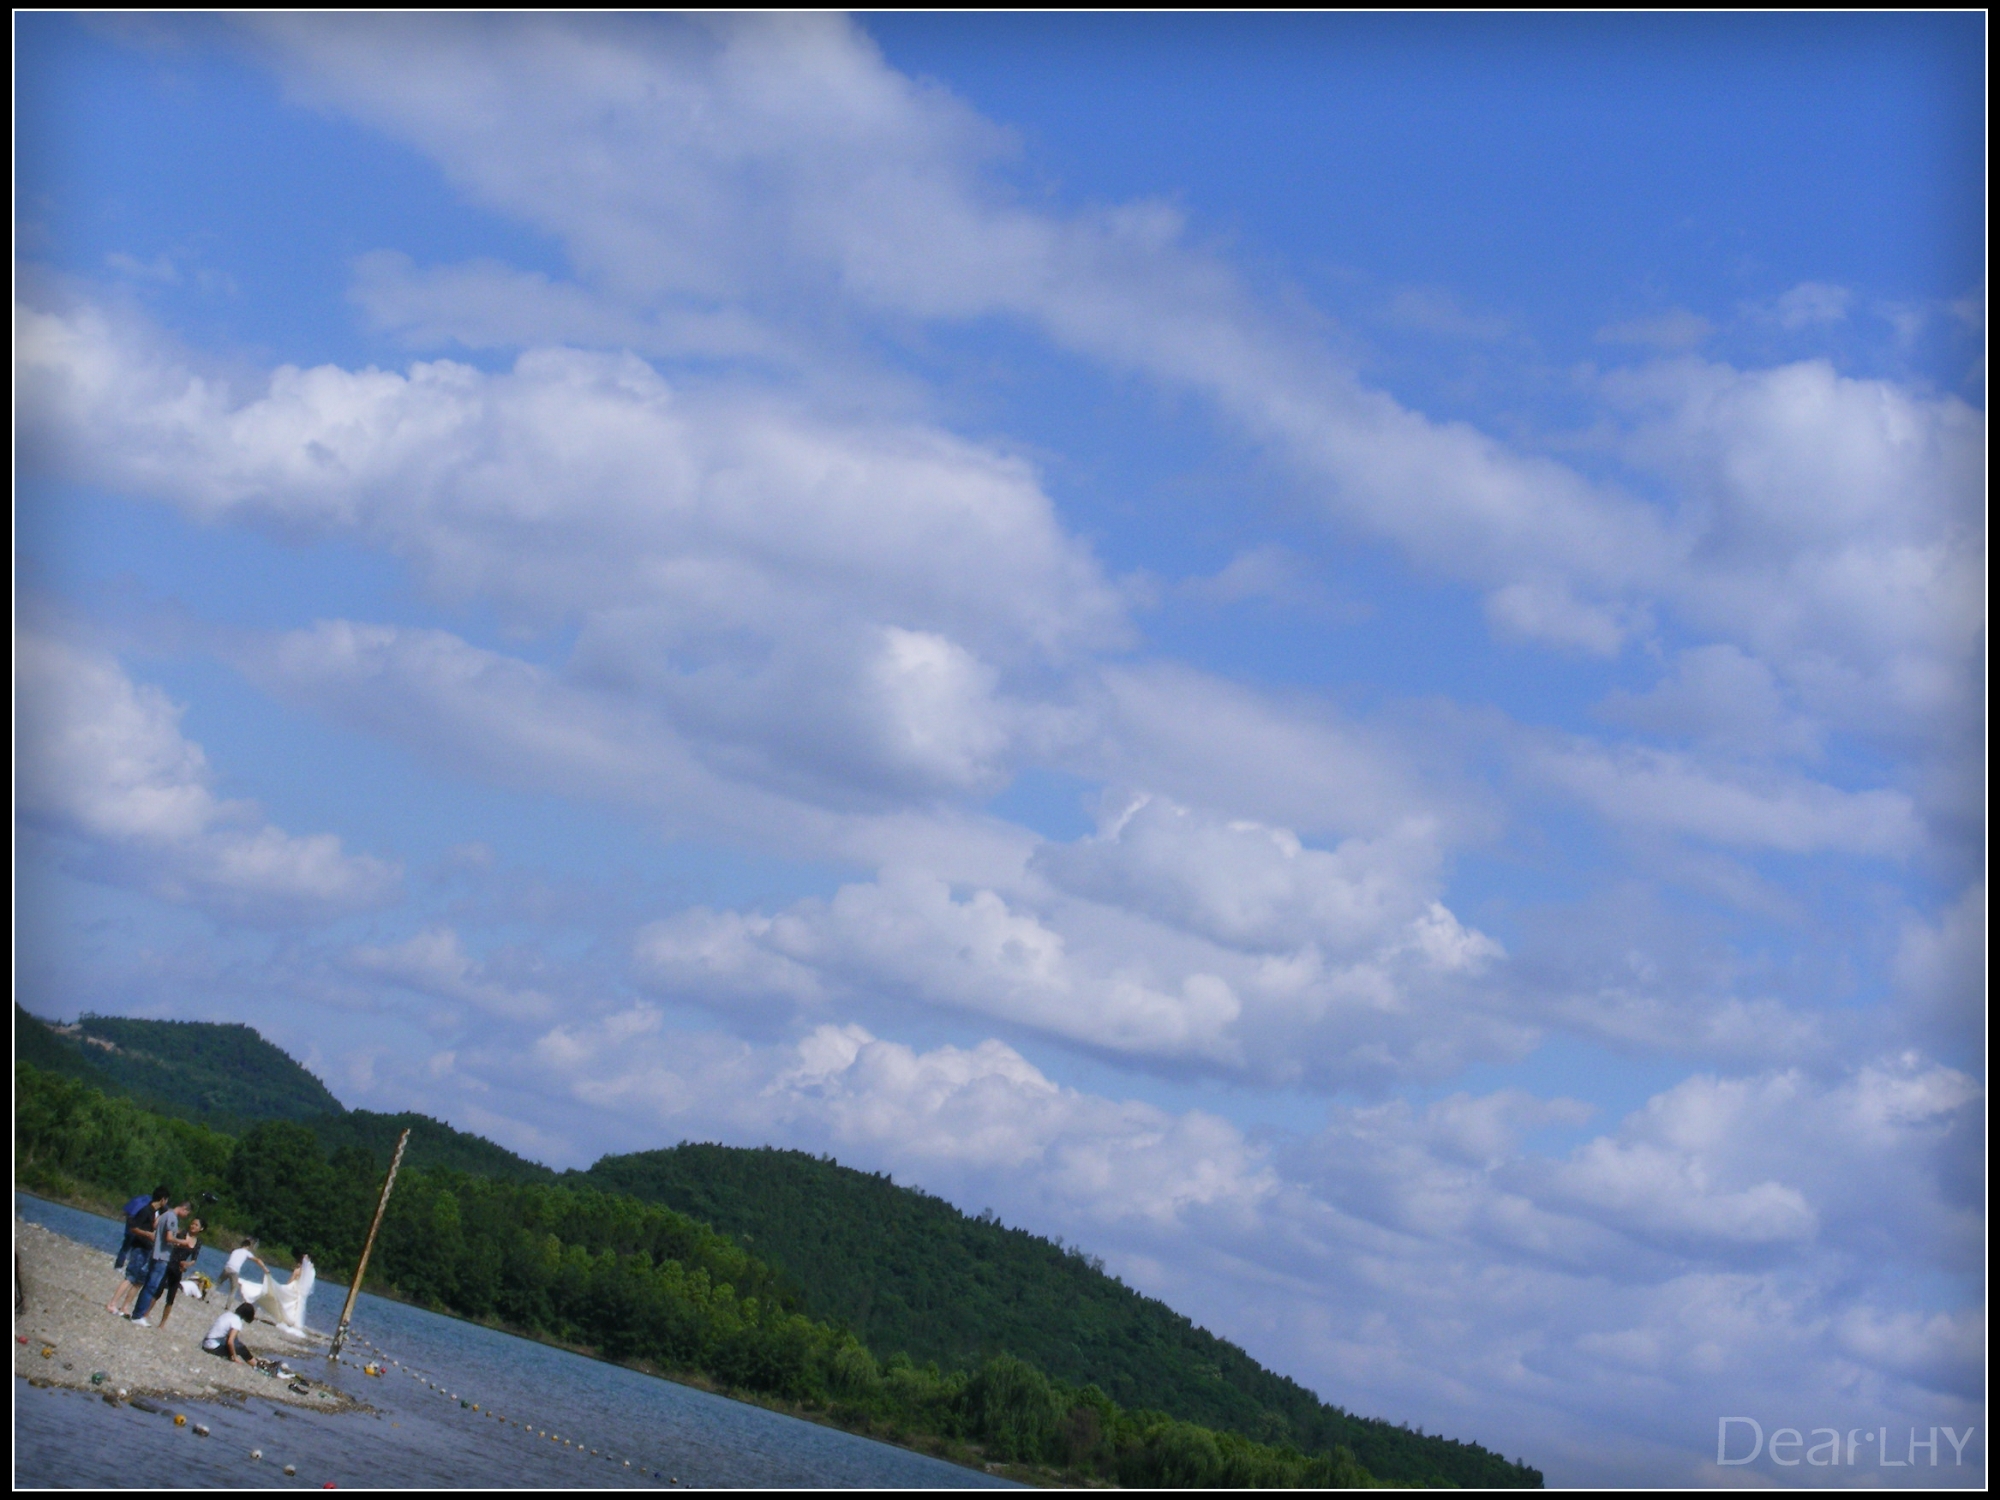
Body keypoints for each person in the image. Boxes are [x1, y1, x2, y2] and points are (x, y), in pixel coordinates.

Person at [105, 1187, 170, 1317]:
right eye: (166, 1200)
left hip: (147, 1248)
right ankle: (112, 1303)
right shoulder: (146, 1210)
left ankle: (125, 1306)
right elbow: (133, 1228)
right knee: (130, 1277)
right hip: (139, 1247)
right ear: (163, 1199)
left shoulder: (154, 1212)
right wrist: (147, 1234)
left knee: (140, 1280)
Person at [128, 1197, 191, 1327]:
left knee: (148, 1284)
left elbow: (155, 1224)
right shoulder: (172, 1217)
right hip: (162, 1256)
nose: (186, 1217)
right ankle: (138, 1315)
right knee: (151, 1286)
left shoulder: (165, 1214)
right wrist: (182, 1242)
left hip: (154, 1252)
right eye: (187, 1214)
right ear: (184, 1209)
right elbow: (169, 1238)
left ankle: (137, 1313)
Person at [146, 1216, 204, 1329]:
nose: (193, 1226)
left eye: (196, 1225)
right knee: (158, 1290)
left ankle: (162, 1323)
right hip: (169, 1263)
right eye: (192, 1223)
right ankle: (146, 1313)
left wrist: (187, 1264)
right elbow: (170, 1243)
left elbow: (194, 1259)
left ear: (201, 1229)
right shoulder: (181, 1233)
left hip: (179, 1269)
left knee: (171, 1296)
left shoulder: (198, 1242)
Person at [111, 1191, 153, 1271]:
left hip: (128, 1232)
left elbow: (125, 1214)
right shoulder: (145, 1210)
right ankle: (130, 1266)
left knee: (125, 1248)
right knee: (134, 1250)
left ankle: (118, 1265)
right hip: (137, 1233)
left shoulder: (133, 1209)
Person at [220, 1238, 267, 1303]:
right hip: (234, 1271)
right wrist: (265, 1269)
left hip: (226, 1268)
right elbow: (257, 1260)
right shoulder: (247, 1253)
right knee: (233, 1289)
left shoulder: (235, 1250)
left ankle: (207, 1296)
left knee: (218, 1283)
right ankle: (227, 1306)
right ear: (248, 1246)